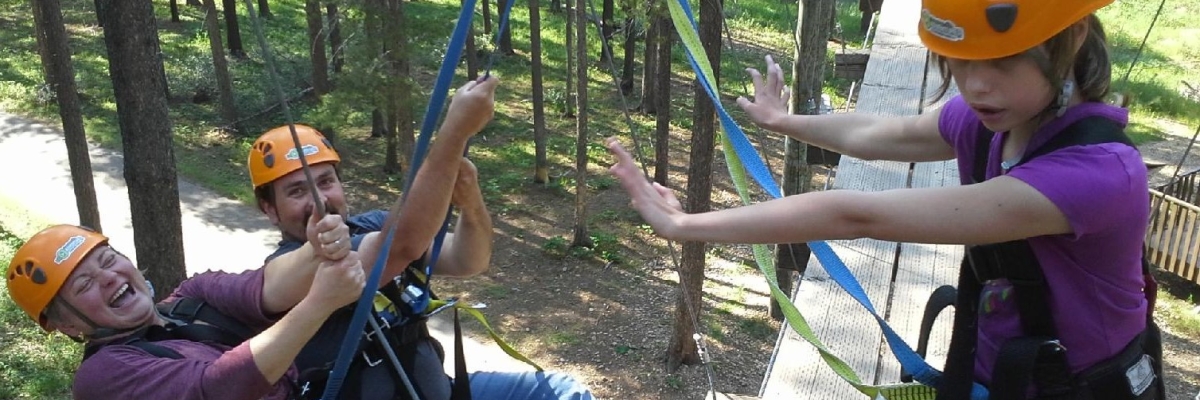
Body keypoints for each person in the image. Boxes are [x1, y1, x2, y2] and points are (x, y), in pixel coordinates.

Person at [607, 0, 1163, 398]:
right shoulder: (998, 118)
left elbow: (855, 212)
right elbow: (884, 135)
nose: (975, 86)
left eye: (1002, 61)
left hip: (1080, 385)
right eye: (961, 61)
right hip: (1004, 364)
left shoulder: (1097, 175)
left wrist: (685, 225)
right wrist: (784, 121)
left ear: (1069, 43)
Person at [248, 76, 593, 400]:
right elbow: (399, 248)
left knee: (564, 392)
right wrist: (455, 131)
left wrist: (471, 202)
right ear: (270, 209)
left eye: (325, 182)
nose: (320, 200)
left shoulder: (373, 225)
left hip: (439, 388)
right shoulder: (281, 272)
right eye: (297, 191)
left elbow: (467, 260)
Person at [4, 215, 360, 400]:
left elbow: (266, 287)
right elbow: (217, 391)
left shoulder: (191, 296)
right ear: (67, 325)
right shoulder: (103, 378)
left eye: (108, 259)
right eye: (84, 285)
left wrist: (314, 248)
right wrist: (318, 303)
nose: (109, 277)